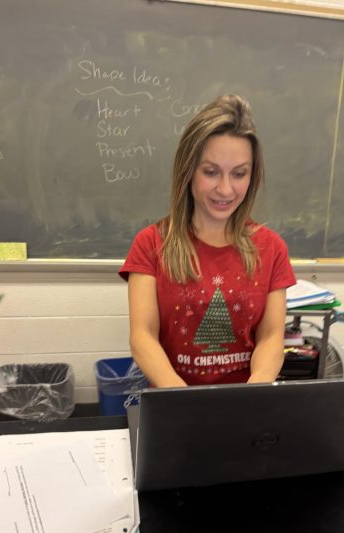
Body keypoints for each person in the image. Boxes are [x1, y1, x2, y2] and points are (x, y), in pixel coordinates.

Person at [119, 94, 296, 387]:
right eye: (211, 172)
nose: (225, 189)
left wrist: (253, 394)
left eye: (239, 174)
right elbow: (142, 336)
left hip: (244, 404)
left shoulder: (272, 248)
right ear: (188, 171)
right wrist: (186, 401)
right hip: (176, 403)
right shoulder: (151, 244)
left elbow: (271, 337)